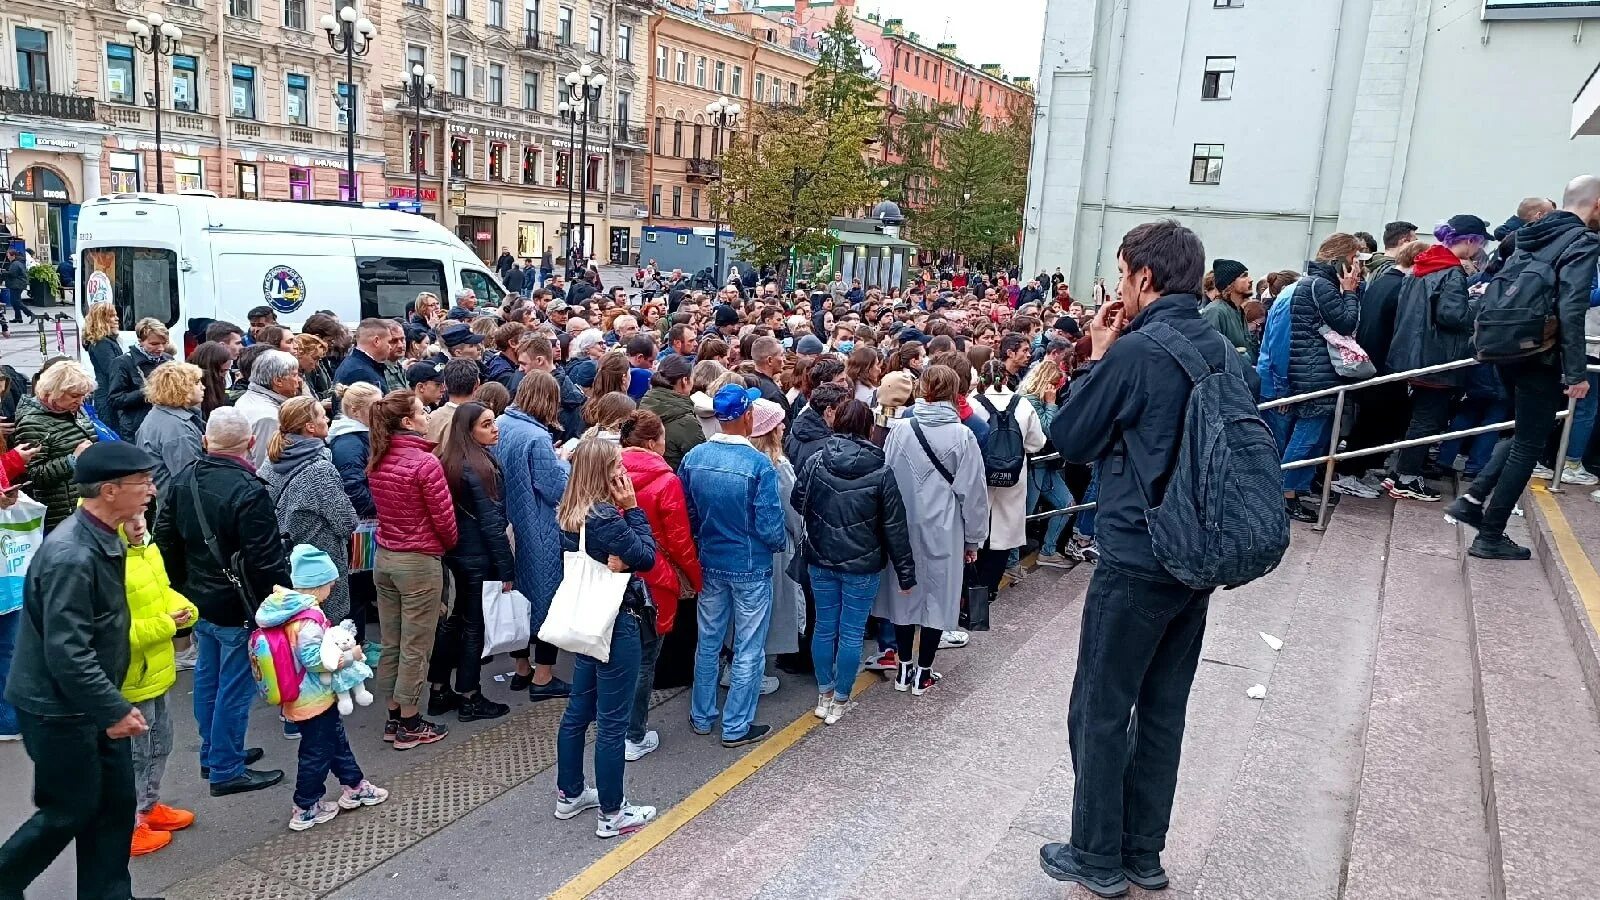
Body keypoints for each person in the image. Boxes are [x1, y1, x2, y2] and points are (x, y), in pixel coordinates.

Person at [1038, 219, 1236, 896]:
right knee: (1162, 708)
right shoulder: (1215, 341)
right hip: (1199, 552)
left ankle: (1096, 856)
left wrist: (1097, 354)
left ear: (1144, 278)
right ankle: (1143, 853)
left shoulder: (1138, 350)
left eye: (1123, 273)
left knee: (1098, 706)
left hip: (1138, 551)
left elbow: (1070, 435)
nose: (1119, 284)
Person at [0, 442, 156, 897]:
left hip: (83, 703)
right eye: (141, 483)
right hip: (59, 710)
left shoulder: (104, 532)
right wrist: (113, 710)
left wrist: (134, 535)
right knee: (69, 808)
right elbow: (67, 651)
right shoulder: (72, 554)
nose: (150, 489)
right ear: (109, 490)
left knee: (113, 805)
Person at [1445, 176, 1600, 560]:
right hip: (1538, 351)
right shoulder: (1581, 241)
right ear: (1597, 204)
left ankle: (1475, 497)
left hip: (1504, 345)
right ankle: (1490, 532)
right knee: (1529, 442)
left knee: (1528, 430)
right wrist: (1577, 372)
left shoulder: (1530, 236)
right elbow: (1572, 306)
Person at [155, 408, 289, 794]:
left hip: (200, 598)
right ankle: (226, 768)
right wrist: (278, 605)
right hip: (238, 604)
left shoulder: (184, 479)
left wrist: (184, 588)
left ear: (205, 440)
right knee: (234, 686)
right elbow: (266, 560)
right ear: (250, 444)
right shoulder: (249, 490)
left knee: (208, 678)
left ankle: (213, 754)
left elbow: (165, 540)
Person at [552, 439, 660, 838]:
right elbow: (649, 556)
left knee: (578, 713)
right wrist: (632, 508)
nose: (623, 470)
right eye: (617, 464)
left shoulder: (570, 511)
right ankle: (613, 814)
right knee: (612, 724)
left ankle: (570, 794)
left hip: (586, 622)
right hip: (616, 622)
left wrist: (624, 558)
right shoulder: (607, 518)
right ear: (603, 471)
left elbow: (626, 557)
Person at [792, 399, 914, 725]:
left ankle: (824, 694)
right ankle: (842, 699)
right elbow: (895, 527)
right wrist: (905, 574)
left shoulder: (817, 461)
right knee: (851, 632)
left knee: (824, 628)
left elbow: (797, 499)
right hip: (863, 564)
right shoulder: (881, 470)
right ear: (868, 427)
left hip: (820, 557)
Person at [679, 384, 788, 748]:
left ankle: (702, 715)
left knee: (708, 642)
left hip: (710, 560)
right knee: (748, 647)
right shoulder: (758, 465)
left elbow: (688, 514)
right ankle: (736, 725)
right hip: (750, 565)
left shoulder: (694, 457)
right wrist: (775, 546)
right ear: (748, 416)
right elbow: (771, 524)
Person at [253, 545, 389, 832]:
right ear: (320, 585)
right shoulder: (308, 620)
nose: (333, 586)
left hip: (304, 694)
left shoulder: (287, 609)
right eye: (330, 582)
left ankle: (354, 785)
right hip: (311, 696)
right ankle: (305, 806)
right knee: (317, 751)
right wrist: (351, 655)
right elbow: (317, 661)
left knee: (334, 741)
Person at [877, 365, 988, 696]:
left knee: (902, 592)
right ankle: (923, 672)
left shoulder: (900, 429)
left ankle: (904, 668)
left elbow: (886, 476)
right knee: (938, 597)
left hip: (901, 523)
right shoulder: (962, 435)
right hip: (945, 525)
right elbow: (974, 494)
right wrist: (974, 539)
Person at [367, 390, 457, 749]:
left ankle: (394, 714)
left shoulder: (378, 457)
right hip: (417, 561)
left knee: (392, 641)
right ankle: (410, 721)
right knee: (417, 645)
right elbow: (445, 520)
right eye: (422, 411)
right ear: (407, 422)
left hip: (386, 556)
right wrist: (445, 545)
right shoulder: (424, 463)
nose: (427, 414)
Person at [1385, 215, 1490, 502]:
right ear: (1470, 241)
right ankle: (1406, 477)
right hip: (1439, 358)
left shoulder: (1425, 263)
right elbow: (1452, 316)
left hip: (1415, 354)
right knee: (1427, 420)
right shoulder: (1451, 271)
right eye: (1479, 243)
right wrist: (1480, 301)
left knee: (1420, 418)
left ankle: (1401, 473)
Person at [618, 410, 701, 760]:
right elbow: (680, 538)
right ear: (652, 442)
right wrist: (695, 577)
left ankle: (615, 724)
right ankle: (633, 734)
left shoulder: (607, 470)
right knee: (645, 660)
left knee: (618, 656)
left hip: (613, 574)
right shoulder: (666, 481)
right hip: (654, 576)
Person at [428, 402, 515, 723]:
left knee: (454, 623)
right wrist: (507, 569)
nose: (495, 428)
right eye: (487, 424)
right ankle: (470, 696)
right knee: (473, 626)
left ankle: (439, 690)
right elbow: (492, 524)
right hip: (477, 556)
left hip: (455, 554)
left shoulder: (448, 459)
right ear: (469, 430)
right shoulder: (477, 467)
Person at [120, 510, 200, 857]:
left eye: (141, 516)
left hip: (155, 669)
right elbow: (112, 631)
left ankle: (147, 807)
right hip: (129, 677)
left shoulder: (145, 548)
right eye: (129, 519)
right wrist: (168, 625)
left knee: (160, 742)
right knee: (136, 754)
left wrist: (184, 609)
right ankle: (129, 825)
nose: (140, 524)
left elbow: (162, 591)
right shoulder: (103, 560)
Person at [498, 372, 574, 701]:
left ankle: (521, 668)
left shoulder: (501, 423)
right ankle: (543, 677)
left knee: (515, 598)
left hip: (506, 524)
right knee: (547, 601)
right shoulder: (537, 437)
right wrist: (566, 464)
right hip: (537, 527)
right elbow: (555, 486)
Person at [1277, 233, 1363, 523]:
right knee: (1307, 435)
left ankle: (1296, 488)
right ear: (1340, 260)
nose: (1357, 268)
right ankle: (1285, 493)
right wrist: (1350, 292)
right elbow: (1346, 323)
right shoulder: (1322, 286)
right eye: (1354, 260)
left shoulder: (1313, 284)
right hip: (1316, 372)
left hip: (1313, 369)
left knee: (1315, 437)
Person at [263, 397, 359, 623]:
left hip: (285, 559)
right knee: (321, 635)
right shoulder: (319, 470)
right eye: (321, 415)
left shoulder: (272, 460)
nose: (327, 418)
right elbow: (346, 521)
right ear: (310, 427)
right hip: (319, 567)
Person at [747, 399, 801, 692]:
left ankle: (738, 668)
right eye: (778, 423)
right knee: (772, 609)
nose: (783, 426)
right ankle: (759, 673)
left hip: (744, 545)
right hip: (775, 547)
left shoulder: (742, 458)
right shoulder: (778, 466)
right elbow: (793, 510)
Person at [13, 359, 98, 530]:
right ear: (53, 391)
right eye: (75, 396)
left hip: (86, 503)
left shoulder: (72, 409)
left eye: (84, 396)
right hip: (60, 515)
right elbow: (33, 477)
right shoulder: (32, 423)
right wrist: (72, 459)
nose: (80, 402)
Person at [1018, 358, 1075, 565]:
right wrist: (1051, 405)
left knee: (1066, 503)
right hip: (1035, 464)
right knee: (1025, 514)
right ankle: (1011, 562)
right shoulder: (1030, 401)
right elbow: (1048, 431)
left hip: (1045, 464)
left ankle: (1048, 550)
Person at [135, 361, 206, 504]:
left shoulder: (159, 415)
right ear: (180, 387)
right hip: (177, 509)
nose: (203, 387)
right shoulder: (177, 429)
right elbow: (190, 480)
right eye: (197, 382)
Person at [236, 349, 303, 468]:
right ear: (278, 381)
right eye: (295, 375)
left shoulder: (250, 398)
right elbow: (265, 465)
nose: (299, 380)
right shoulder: (268, 418)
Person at [638, 355, 704, 470]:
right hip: (674, 482)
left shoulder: (642, 407)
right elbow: (701, 463)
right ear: (685, 380)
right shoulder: (686, 422)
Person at [1200, 258, 1255, 361]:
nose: (1250, 280)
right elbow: (1211, 356)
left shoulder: (1238, 311)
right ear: (1229, 284)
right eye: (1244, 276)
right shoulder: (1215, 311)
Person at [84, 301, 122, 420]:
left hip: (109, 394)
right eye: (111, 316)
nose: (117, 319)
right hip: (108, 396)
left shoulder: (106, 341)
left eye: (115, 315)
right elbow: (112, 370)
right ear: (101, 320)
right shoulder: (102, 343)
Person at [334, 318, 393, 393]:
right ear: (376, 341)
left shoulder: (357, 365)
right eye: (389, 342)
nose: (390, 347)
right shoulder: (360, 373)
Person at [189, 341, 235, 418]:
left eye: (226, 370)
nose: (224, 375)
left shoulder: (217, 387)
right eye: (221, 371)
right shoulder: (194, 392)